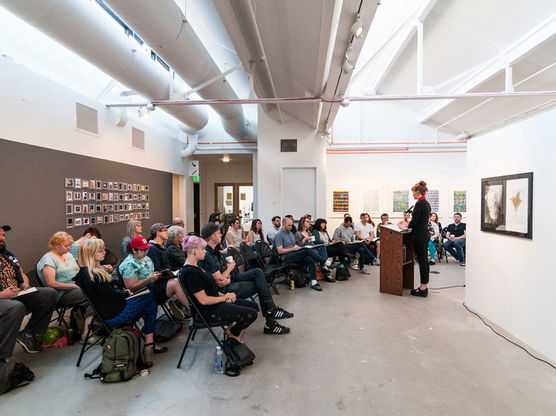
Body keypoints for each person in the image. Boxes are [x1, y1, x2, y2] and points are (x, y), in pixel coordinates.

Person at [74, 239, 165, 368]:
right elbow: (112, 296)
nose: (105, 252)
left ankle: (149, 343)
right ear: (92, 253)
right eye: (101, 250)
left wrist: (124, 292)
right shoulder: (96, 275)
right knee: (150, 297)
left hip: (106, 312)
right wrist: (126, 293)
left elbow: (108, 295)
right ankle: (149, 343)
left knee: (150, 301)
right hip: (114, 315)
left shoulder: (85, 273)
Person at [200, 223, 293, 334]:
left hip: (230, 279)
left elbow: (224, 275)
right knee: (260, 285)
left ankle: (271, 311)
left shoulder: (216, 251)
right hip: (222, 290)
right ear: (212, 237)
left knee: (258, 272)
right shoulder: (207, 255)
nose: (221, 234)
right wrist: (229, 269)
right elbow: (220, 282)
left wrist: (228, 274)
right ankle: (271, 320)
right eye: (218, 233)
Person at [179, 235, 258, 343]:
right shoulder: (190, 273)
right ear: (194, 251)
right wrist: (225, 297)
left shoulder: (196, 267)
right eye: (202, 249)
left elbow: (209, 290)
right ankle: (233, 333)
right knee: (252, 314)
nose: (205, 252)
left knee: (254, 306)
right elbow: (203, 300)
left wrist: (223, 297)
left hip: (215, 303)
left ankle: (232, 331)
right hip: (206, 311)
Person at [0, 225, 56, 356]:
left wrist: (25, 284)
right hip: (3, 298)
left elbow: (21, 274)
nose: (2, 239)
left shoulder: (8, 255)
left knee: (49, 294)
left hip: (15, 294)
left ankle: (28, 334)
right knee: (15, 307)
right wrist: (3, 294)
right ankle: (3, 356)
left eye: (3, 235)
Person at [37, 231, 93, 336]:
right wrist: (74, 285)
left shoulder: (67, 255)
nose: (69, 248)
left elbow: (77, 270)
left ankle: (95, 323)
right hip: (61, 293)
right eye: (66, 245)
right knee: (91, 295)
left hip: (75, 287)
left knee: (97, 288)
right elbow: (51, 283)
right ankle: (87, 333)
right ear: (56, 245)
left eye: (70, 245)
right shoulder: (48, 260)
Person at [119, 236, 189, 318]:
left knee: (178, 279)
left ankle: (186, 307)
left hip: (152, 286)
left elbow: (149, 274)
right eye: (143, 250)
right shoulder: (129, 265)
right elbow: (131, 288)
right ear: (134, 250)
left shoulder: (146, 258)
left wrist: (156, 275)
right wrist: (149, 279)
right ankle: (193, 310)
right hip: (143, 293)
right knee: (176, 283)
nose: (146, 252)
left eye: (147, 249)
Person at [399, 181, 432, 297]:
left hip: (419, 236)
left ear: (417, 191)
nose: (412, 194)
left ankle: (423, 288)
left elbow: (415, 222)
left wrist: (405, 225)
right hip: (424, 235)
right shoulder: (426, 203)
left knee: (422, 262)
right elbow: (420, 221)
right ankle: (424, 286)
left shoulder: (419, 203)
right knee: (424, 261)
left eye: (413, 192)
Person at [275, 217, 323, 291]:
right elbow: (280, 251)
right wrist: (293, 249)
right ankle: (325, 262)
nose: (291, 227)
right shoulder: (279, 235)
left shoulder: (291, 233)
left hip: (294, 254)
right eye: (289, 225)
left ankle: (314, 282)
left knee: (310, 259)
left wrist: (297, 247)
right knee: (306, 250)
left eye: (291, 225)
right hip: (286, 257)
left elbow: (295, 245)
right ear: (283, 224)